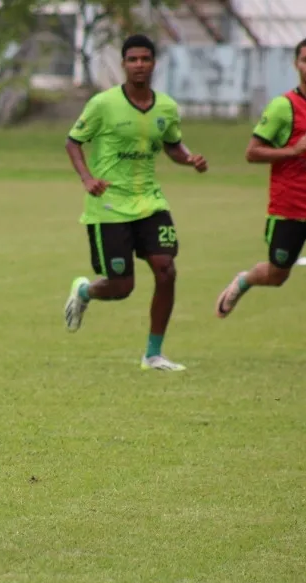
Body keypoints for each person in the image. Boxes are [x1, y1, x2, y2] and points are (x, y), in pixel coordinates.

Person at [62, 34, 207, 371]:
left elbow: (173, 145)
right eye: (133, 60)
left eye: (146, 59)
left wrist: (189, 160)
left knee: (166, 270)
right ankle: (84, 292)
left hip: (150, 202)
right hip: (109, 204)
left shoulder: (167, 107)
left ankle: (153, 354)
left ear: (154, 63)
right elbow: (73, 142)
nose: (139, 65)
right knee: (121, 286)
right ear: (124, 64)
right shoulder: (103, 104)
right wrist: (87, 178)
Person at [215, 39, 306, 317]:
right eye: (305, 60)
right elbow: (252, 153)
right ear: (296, 64)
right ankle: (244, 281)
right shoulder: (283, 107)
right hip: (290, 207)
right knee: (277, 275)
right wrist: (294, 150)